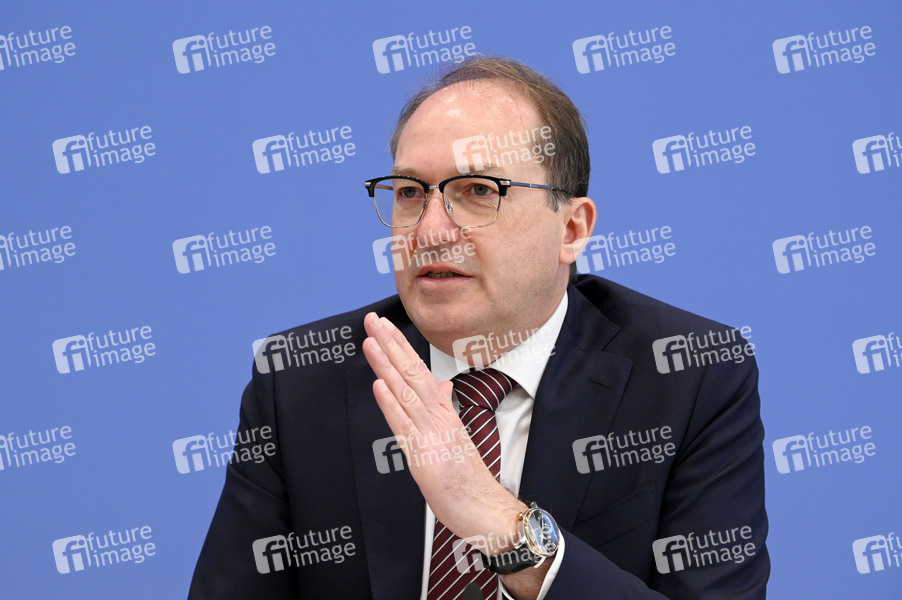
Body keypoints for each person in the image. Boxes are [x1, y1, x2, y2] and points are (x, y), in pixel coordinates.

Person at [189, 56, 769, 599]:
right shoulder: (299, 380)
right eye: (410, 193)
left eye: (477, 191)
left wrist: (499, 523)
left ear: (571, 230)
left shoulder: (688, 376)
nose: (429, 231)